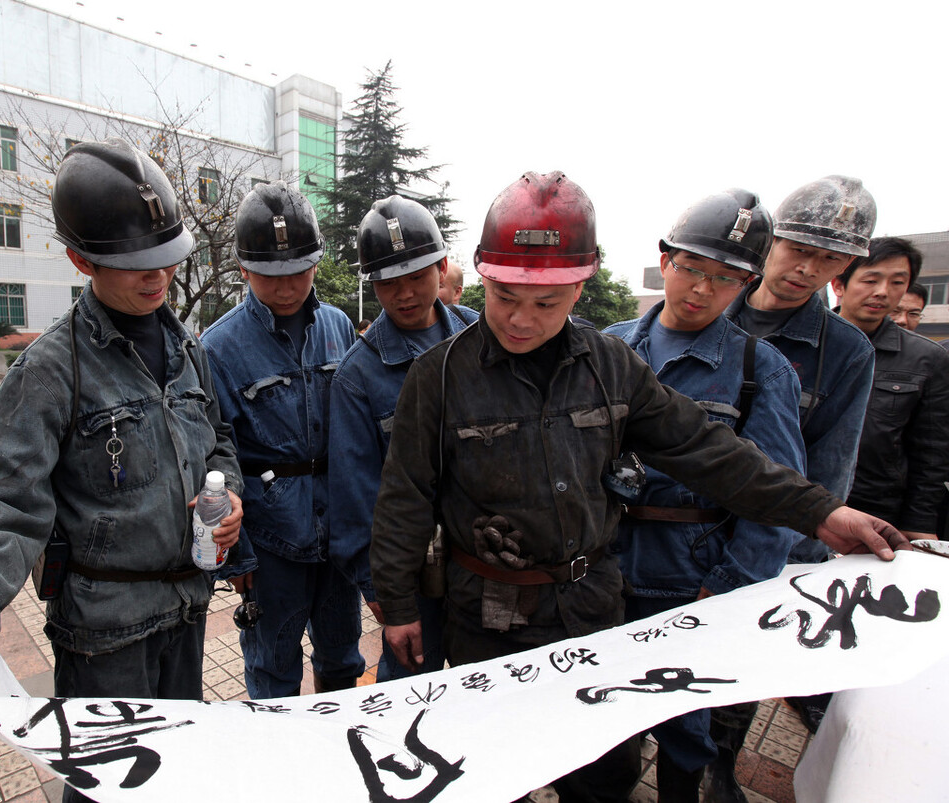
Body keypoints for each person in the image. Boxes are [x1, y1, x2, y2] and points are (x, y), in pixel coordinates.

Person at [369, 171, 909, 803]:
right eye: (505, 296)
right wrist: (399, 606)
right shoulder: (439, 377)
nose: (521, 320)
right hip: (489, 615)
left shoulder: (612, 366)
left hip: (595, 610)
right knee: (494, 765)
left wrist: (820, 513)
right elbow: (405, 497)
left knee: (604, 771)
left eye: (546, 304)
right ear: (484, 276)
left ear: (580, 285)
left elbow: (707, 450)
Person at [0, 139, 242, 803]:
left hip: (189, 612)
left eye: (164, 256)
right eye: (132, 262)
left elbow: (217, 440)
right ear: (81, 259)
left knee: (181, 776)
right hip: (106, 635)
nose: (156, 275)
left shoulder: (187, 347)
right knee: (109, 788)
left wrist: (229, 495)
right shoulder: (51, 370)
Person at [604, 190, 805, 802]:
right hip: (601, 570)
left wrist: (728, 588)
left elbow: (777, 500)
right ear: (665, 259)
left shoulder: (759, 370)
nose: (700, 288)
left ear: (745, 284)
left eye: (724, 277)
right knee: (605, 714)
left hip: (690, 575)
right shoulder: (607, 350)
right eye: (691, 267)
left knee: (685, 727)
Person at [202, 181, 364, 698]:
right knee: (272, 667)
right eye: (271, 275)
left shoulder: (338, 326)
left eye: (300, 270)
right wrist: (238, 559)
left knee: (342, 659)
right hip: (271, 541)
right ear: (244, 269)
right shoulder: (219, 346)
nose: (288, 285)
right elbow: (215, 451)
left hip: (336, 535)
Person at [328, 196, 477, 682]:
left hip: (491, 563)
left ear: (442, 266)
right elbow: (355, 498)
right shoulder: (358, 375)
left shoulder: (481, 337)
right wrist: (386, 599)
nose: (405, 294)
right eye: (389, 283)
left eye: (417, 276)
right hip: (415, 577)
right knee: (411, 704)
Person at [723, 175, 877, 566]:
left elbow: (830, 467)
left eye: (831, 258)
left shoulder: (847, 351)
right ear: (771, 240)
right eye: (799, 249)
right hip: (672, 535)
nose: (808, 268)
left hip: (775, 548)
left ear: (848, 264)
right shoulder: (706, 316)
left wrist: (785, 564)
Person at [833, 237, 949, 540]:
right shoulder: (799, 344)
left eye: (898, 282)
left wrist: (920, 524)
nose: (883, 292)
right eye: (871, 279)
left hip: (878, 514)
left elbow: (932, 454)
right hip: (795, 506)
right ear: (839, 284)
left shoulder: (927, 359)